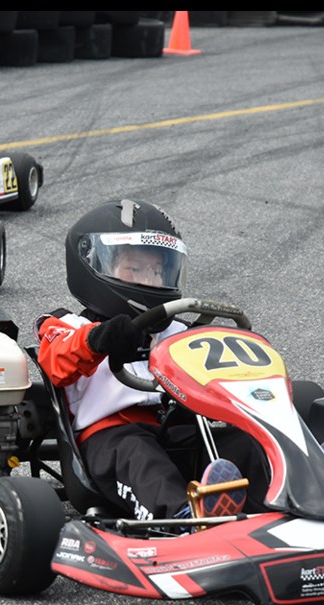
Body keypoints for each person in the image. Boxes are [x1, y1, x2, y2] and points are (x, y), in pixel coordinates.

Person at [34, 198, 272, 524]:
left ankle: (290, 492)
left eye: (157, 270)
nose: (149, 280)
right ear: (93, 266)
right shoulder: (68, 326)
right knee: (142, 459)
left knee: (245, 444)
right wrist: (99, 339)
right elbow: (58, 360)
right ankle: (184, 520)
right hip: (111, 441)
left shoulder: (176, 330)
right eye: (134, 268)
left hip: (178, 431)